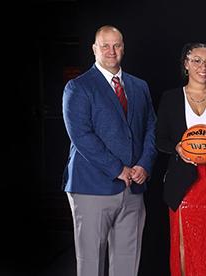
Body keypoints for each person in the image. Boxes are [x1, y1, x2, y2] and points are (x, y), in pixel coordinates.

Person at [62, 25, 157, 276]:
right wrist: (118, 169)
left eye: (117, 45)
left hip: (134, 187)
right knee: (91, 262)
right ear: (94, 49)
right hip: (91, 187)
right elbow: (81, 136)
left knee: (128, 262)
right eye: (105, 45)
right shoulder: (78, 87)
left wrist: (144, 165)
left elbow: (151, 128)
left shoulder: (139, 86)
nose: (111, 51)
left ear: (123, 47)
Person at [155, 42, 206, 276]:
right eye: (197, 60)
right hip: (183, 185)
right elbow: (159, 138)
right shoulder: (171, 98)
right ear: (186, 64)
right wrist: (177, 148)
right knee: (186, 248)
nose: (203, 66)